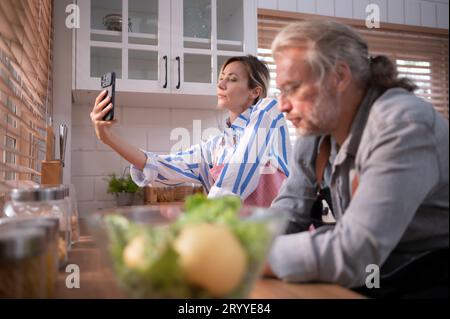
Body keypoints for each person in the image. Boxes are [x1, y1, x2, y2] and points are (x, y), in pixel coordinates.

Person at [266, 21, 449, 298]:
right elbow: (292, 210)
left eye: (293, 88)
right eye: (281, 91)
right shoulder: (317, 131)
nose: (283, 106)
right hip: (376, 273)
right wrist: (248, 240)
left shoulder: (402, 125)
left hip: (430, 275)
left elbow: (354, 251)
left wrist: (244, 258)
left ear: (339, 77)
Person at [90, 55, 291, 207]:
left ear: (254, 92)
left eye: (231, 79)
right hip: (243, 245)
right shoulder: (215, 147)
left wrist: (203, 217)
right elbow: (160, 165)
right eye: (221, 78)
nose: (220, 84)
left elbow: (241, 169)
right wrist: (107, 137)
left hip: (284, 241)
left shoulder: (270, 112)